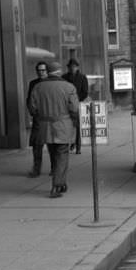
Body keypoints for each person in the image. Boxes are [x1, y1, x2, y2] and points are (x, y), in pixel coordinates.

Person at [28, 60, 80, 198]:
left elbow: (32, 108)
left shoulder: (38, 87)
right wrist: (73, 122)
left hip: (45, 127)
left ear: (48, 71)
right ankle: (56, 185)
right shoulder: (69, 87)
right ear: (59, 71)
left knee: (53, 152)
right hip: (63, 125)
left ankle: (61, 183)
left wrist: (41, 117)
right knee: (62, 155)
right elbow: (74, 109)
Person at [26, 61, 49, 177]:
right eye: (39, 71)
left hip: (50, 118)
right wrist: (33, 112)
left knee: (52, 145)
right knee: (36, 145)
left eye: (43, 70)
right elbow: (29, 100)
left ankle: (54, 168)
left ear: (47, 71)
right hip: (38, 118)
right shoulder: (33, 83)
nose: (41, 73)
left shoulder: (50, 83)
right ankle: (36, 168)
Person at [63, 58, 89, 153]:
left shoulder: (82, 77)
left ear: (77, 67)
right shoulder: (64, 77)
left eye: (74, 67)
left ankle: (78, 146)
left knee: (78, 126)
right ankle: (70, 143)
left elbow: (85, 92)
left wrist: (77, 100)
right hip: (66, 105)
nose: (72, 68)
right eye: (70, 67)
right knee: (67, 125)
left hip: (78, 104)